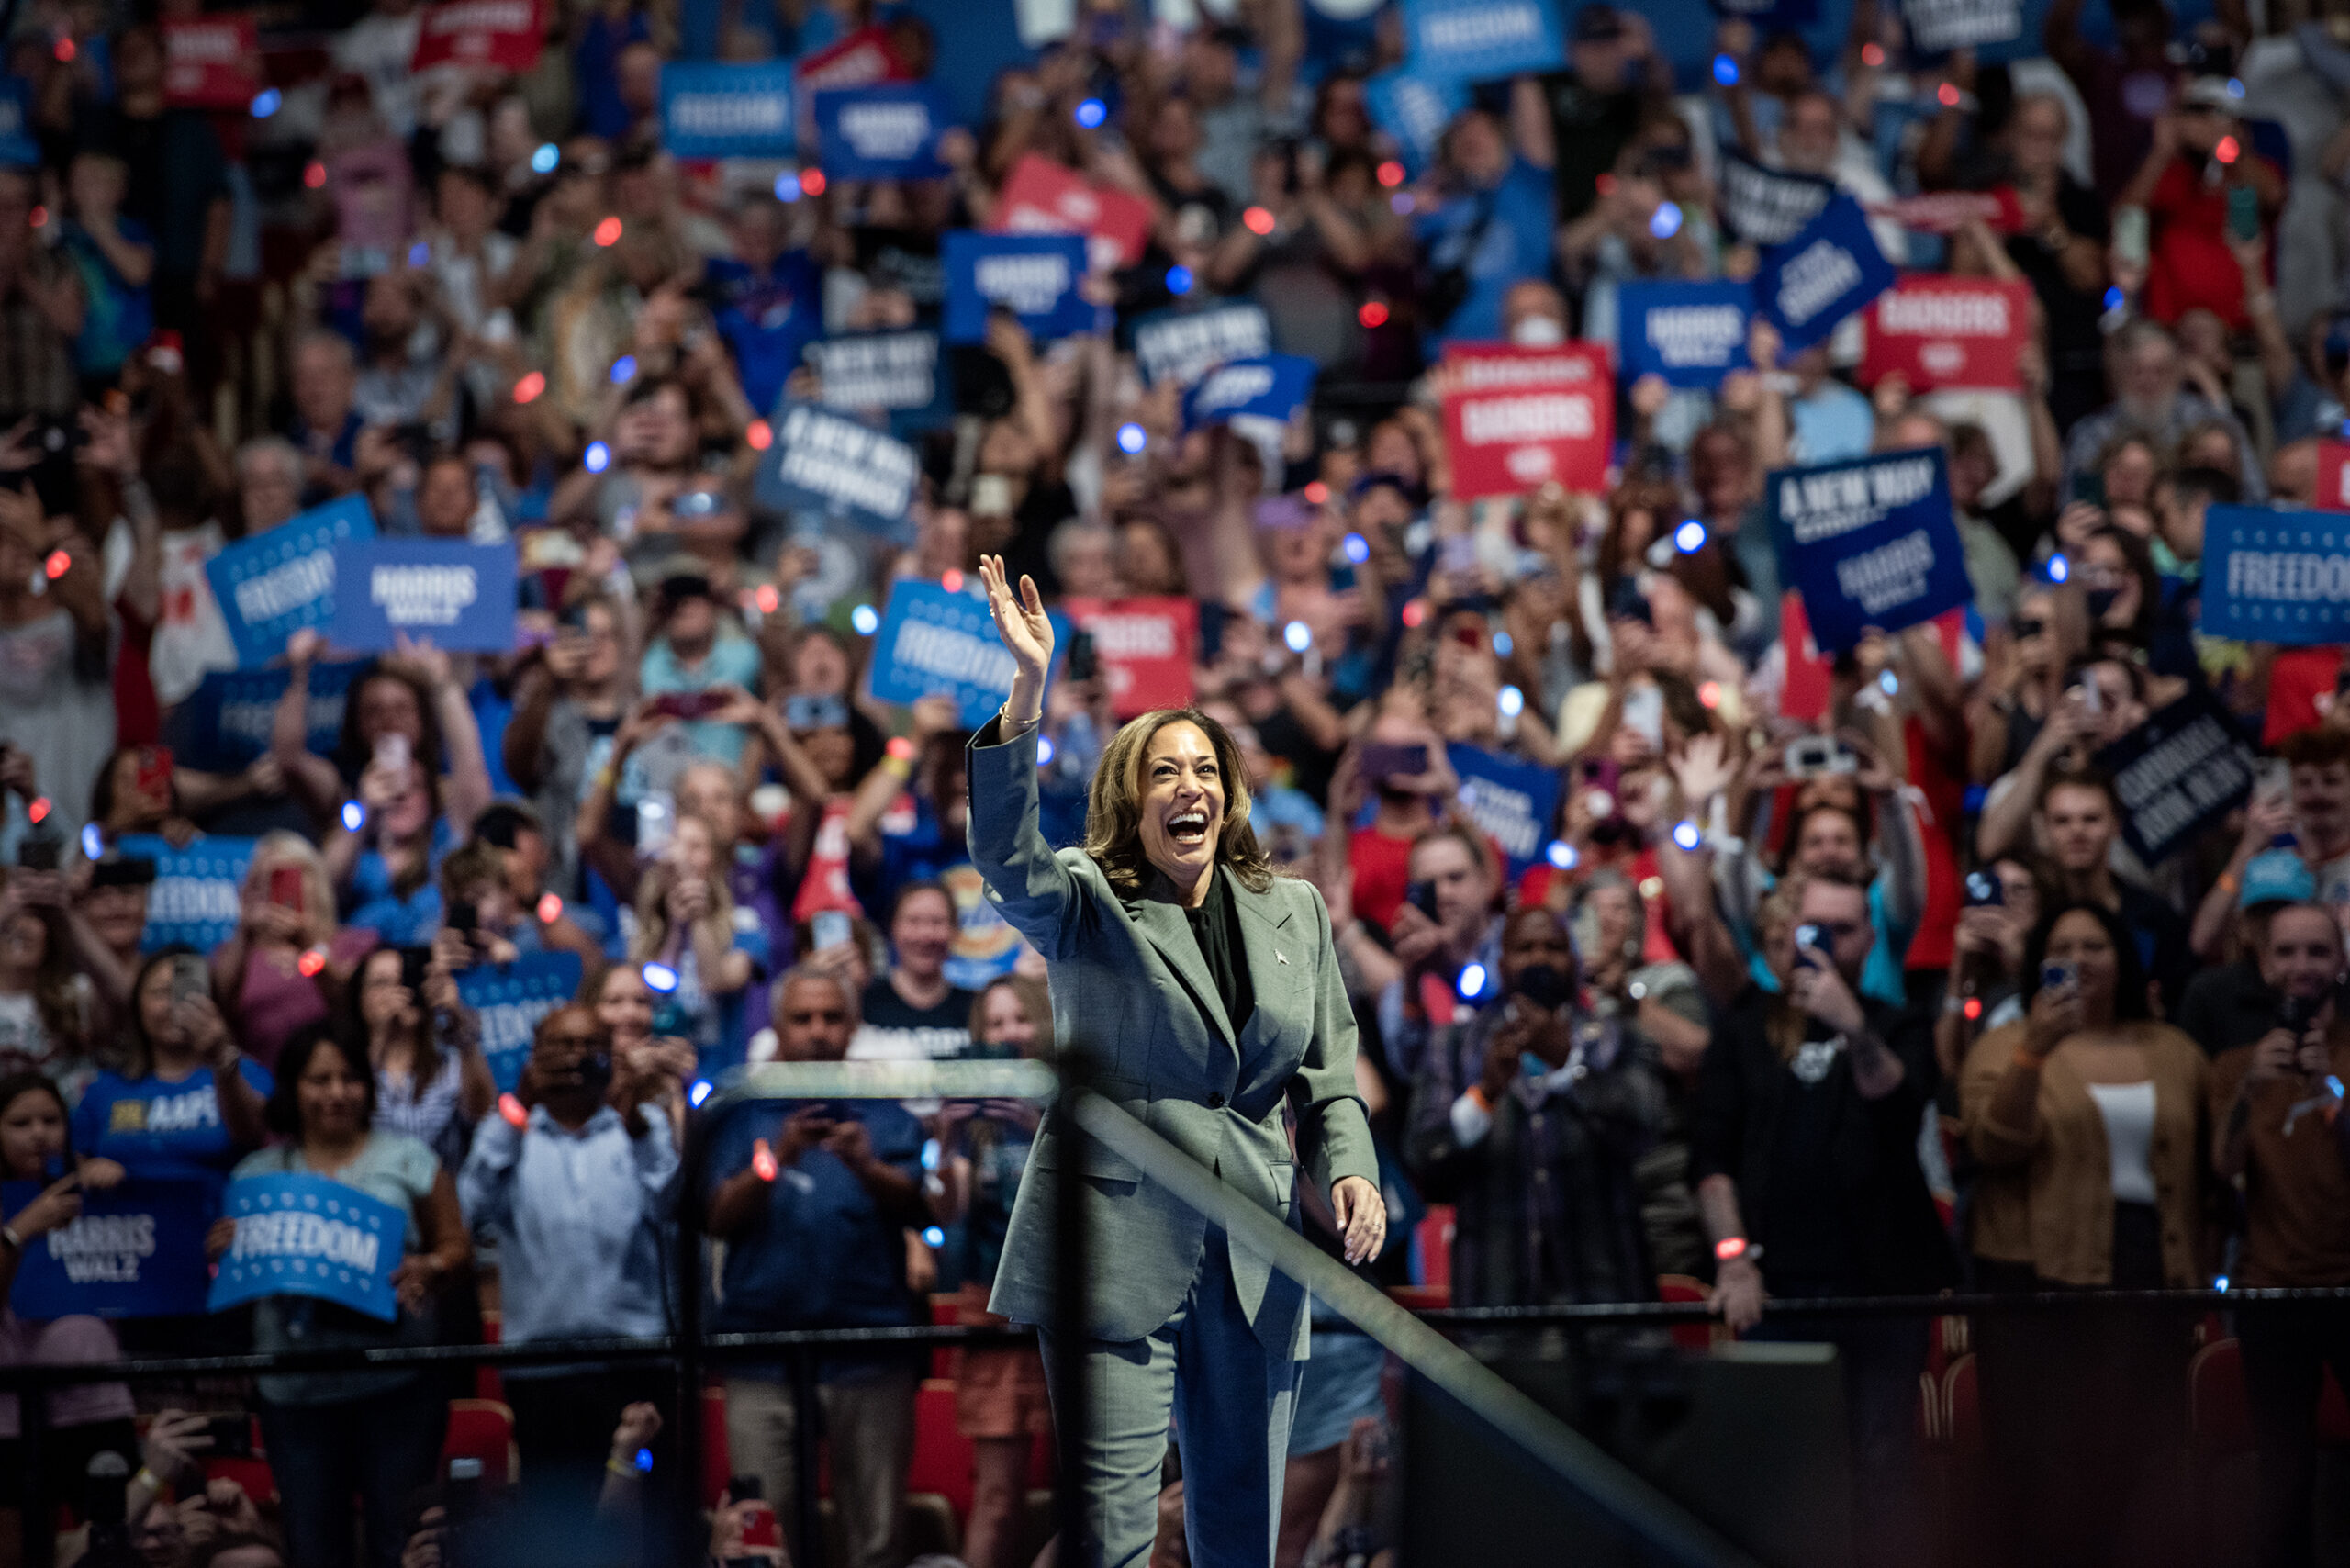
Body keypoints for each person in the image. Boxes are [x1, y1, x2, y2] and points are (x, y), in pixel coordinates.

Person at [967, 554, 1383, 1568]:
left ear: (1231, 796)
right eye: (1163, 771)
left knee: (1241, 1533)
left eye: (1204, 769)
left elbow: (1327, 1071)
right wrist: (1026, 692)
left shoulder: (1297, 912)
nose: (1187, 786)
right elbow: (1005, 863)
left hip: (1254, 1246)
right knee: (1110, 1534)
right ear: (1129, 797)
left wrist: (1352, 1166)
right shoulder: (1086, 899)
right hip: (1111, 1237)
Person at [1692, 867, 1953, 1567]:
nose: (1825, 945)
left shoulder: (1899, 1024)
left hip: (1884, 1289)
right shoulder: (1746, 1030)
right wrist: (1733, 1257)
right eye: (1814, 930)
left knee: (1882, 1467)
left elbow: (1900, 1117)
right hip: (1776, 1287)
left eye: (1842, 931)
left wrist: (1852, 1025)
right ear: (1785, 935)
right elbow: (1711, 1160)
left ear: (1869, 939)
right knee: (1783, 1475)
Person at [1959, 901, 2207, 1568]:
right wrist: (2033, 1050)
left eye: (2094, 945)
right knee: (2048, 1463)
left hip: (2147, 1267)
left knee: (2137, 1456)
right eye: (2061, 946)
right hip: (2037, 1279)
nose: (2078, 959)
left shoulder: (2173, 1049)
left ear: (2122, 956)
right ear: (2039, 962)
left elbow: (2208, 1165)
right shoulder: (2002, 1045)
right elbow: (1992, 1144)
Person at [209, 1024, 467, 1568]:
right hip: (296, 1393)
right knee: (312, 1546)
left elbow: (455, 1245)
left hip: (399, 1385)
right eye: (318, 1079)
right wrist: (224, 1250)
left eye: (349, 1078)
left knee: (400, 1542)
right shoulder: (255, 1175)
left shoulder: (409, 1157)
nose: (335, 1093)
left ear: (367, 1087)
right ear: (293, 1090)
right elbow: (233, 1279)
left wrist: (431, 1265)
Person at [706, 969, 926, 1568]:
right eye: (803, 1019)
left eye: (832, 1018)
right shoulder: (740, 1112)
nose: (818, 1031)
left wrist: (863, 1165)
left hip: (870, 1349)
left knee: (877, 1542)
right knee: (764, 1542)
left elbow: (921, 1208)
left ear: (853, 1028)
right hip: (761, 1353)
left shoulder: (886, 1117)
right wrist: (778, 1158)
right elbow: (716, 1218)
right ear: (778, 1028)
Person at [457, 1005, 678, 1528]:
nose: (575, 1060)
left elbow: (671, 1207)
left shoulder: (643, 1129)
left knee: (647, 1522)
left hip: (635, 1362)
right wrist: (520, 1105)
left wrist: (631, 1114)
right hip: (543, 1370)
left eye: (588, 1046)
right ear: (534, 1058)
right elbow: (468, 1209)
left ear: (611, 1055)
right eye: (560, 1047)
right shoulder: (509, 1132)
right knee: (558, 1525)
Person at [1404, 904, 1681, 1309]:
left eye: (1553, 947)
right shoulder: (1455, 1046)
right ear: (1501, 962)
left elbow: (1644, 1130)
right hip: (1496, 1305)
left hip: (1606, 1307)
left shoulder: (1617, 1039)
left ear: (1572, 959)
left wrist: (1569, 1063)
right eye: (1525, 947)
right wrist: (1484, 1096)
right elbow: (1424, 1158)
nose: (1539, 958)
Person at [2205, 901, 2350, 1568]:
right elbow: (2223, 1167)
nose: (2302, 967)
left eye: (2317, 952)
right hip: (2273, 1295)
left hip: (2349, 1290)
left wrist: (2327, 1088)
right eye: (2287, 952)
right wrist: (2249, 1092)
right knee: (2282, 1481)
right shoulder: (2237, 1064)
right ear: (2264, 964)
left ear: (2340, 964)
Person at [934, 974, 1055, 1568]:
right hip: (994, 1300)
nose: (1011, 1034)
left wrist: (1041, 1130)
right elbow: (944, 1213)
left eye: (1021, 1019)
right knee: (999, 1495)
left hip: (1075, 1305)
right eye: (997, 1023)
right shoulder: (973, 1117)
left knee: (1087, 1494)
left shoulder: (1079, 1098)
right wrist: (946, 1141)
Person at [0, 1072, 137, 1512]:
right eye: (20, 1123)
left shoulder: (96, 1186)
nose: (38, 1134)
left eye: (51, 1120)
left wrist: (122, 1188)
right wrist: (22, 1230)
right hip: (8, 1411)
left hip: (92, 1405)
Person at [72, 950, 269, 1204]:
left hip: (221, 1224)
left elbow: (255, 1135)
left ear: (214, 1003)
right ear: (137, 1005)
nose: (174, 1004)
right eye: (160, 993)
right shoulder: (105, 1089)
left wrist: (222, 1062)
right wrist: (90, 1172)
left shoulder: (245, 1073)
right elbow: (72, 1170)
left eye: (188, 990)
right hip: (128, 1230)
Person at [352, 946, 493, 1169]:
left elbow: (482, 1114)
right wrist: (380, 1036)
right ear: (360, 997)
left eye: (406, 979)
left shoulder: (451, 1061)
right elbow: (347, 1115)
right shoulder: (347, 1062)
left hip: (447, 1192)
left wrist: (458, 1023)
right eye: (381, 983)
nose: (399, 991)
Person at [850, 881, 978, 1063]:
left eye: (937, 921)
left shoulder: (975, 1007)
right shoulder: (863, 1003)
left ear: (955, 929)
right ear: (892, 928)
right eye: (913, 921)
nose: (925, 935)